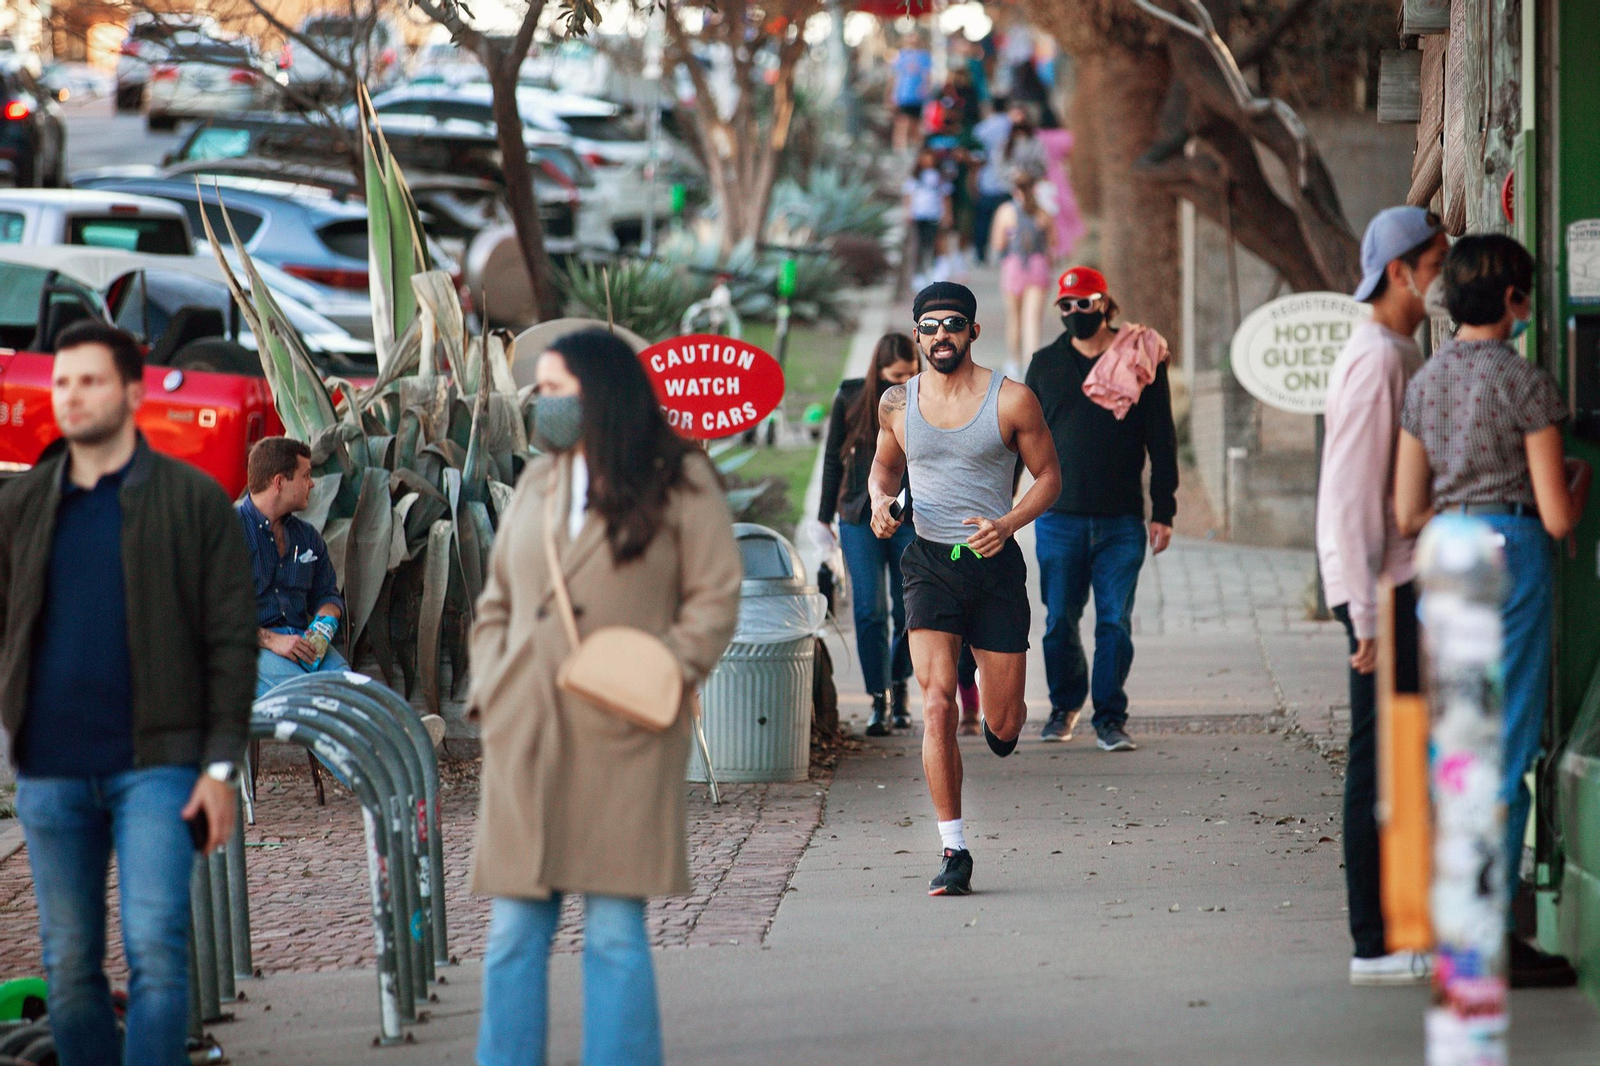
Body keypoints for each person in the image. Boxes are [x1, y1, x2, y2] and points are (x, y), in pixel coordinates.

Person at [468, 328, 742, 1066]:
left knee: (616, 936)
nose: (541, 404)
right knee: (512, 936)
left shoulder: (679, 480)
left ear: (602, 393)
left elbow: (715, 596)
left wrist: (661, 672)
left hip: (624, 734)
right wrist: (493, 688)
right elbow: (497, 600)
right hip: (526, 731)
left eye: (556, 390)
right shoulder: (538, 480)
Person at [0, 320, 256, 1066]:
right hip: (50, 772)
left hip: (158, 766)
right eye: (62, 382)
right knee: (69, 967)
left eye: (91, 381)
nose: (72, 396)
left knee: (157, 953)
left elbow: (231, 641)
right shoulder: (22, 505)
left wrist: (219, 769)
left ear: (134, 394)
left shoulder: (193, 501)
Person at [1395, 234, 1590, 989]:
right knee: (1504, 752)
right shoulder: (1526, 383)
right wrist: (1577, 480)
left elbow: (1406, 510)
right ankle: (1487, 940)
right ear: (1513, 299)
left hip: (1446, 550)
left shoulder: (1427, 382)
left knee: (1456, 749)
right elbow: (1558, 517)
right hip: (1510, 552)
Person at [869, 282, 1061, 896]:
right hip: (929, 564)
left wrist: (1008, 523)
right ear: (917, 335)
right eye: (929, 327)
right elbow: (884, 467)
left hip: (993, 567)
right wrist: (879, 502)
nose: (940, 336)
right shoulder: (897, 402)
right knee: (936, 704)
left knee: (1003, 724)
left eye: (953, 324)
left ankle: (993, 696)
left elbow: (1049, 477)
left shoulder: (1012, 400)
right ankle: (954, 849)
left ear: (973, 331)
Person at [1317, 206, 1446, 986]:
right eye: (1435, 265)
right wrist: (1362, 611)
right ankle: (1375, 942)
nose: (1442, 278)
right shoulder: (1378, 359)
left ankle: (1395, 931)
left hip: (1393, 586)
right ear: (1401, 272)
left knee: (1400, 758)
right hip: (1381, 590)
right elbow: (1350, 496)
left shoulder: (1396, 350)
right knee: (1379, 763)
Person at [1025, 267, 1177, 752]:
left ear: (1105, 304)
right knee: (1058, 621)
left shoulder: (1139, 358)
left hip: (1122, 520)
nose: (1075, 313)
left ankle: (1110, 718)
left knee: (1114, 622)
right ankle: (1064, 706)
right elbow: (1020, 438)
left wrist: (1164, 509)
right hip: (1057, 519)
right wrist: (1004, 509)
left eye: (1084, 303)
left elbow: (1162, 438)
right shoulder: (1044, 365)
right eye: (1066, 305)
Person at [815, 333, 921, 736]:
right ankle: (880, 697)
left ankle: (900, 683)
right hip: (860, 514)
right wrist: (823, 518)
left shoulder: (927, 399)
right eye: (896, 375)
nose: (905, 382)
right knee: (869, 610)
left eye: (911, 374)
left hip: (911, 517)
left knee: (910, 609)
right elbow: (832, 459)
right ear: (878, 372)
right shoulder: (851, 399)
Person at [238, 436, 348, 696]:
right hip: (249, 647)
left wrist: (326, 621)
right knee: (315, 696)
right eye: (306, 476)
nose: (312, 483)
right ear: (279, 482)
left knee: (355, 688)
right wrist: (272, 641)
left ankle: (407, 723)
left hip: (302, 641)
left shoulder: (308, 536)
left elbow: (327, 594)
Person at [990, 163, 1056, 380]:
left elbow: (998, 244)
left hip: (1014, 267)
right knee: (1033, 320)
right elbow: (1052, 244)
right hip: (1038, 267)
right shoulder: (1044, 213)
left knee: (1014, 318)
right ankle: (1031, 365)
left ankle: (1015, 362)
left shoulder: (1005, 212)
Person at [903, 147, 950, 277]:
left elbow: (945, 196)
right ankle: (919, 273)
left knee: (934, 243)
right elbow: (908, 196)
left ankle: (935, 269)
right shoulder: (915, 177)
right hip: (919, 214)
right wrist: (908, 212)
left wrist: (946, 214)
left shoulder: (939, 177)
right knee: (919, 245)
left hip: (934, 214)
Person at [890, 35, 933, 152]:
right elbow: (895, 77)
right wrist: (892, 94)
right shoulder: (900, 55)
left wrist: (925, 88)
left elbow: (927, 75)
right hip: (903, 95)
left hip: (917, 96)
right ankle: (900, 149)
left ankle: (915, 149)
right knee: (902, 122)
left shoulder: (924, 56)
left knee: (916, 122)